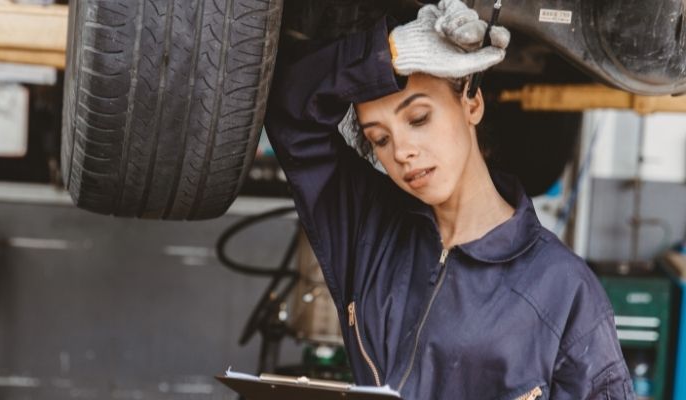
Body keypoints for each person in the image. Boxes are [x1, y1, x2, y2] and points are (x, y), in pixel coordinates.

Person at [263, 0, 634, 399]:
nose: (402, 151)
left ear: (471, 103)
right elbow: (286, 109)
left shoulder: (562, 289)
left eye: (419, 119)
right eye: (380, 139)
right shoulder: (368, 228)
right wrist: (390, 54)